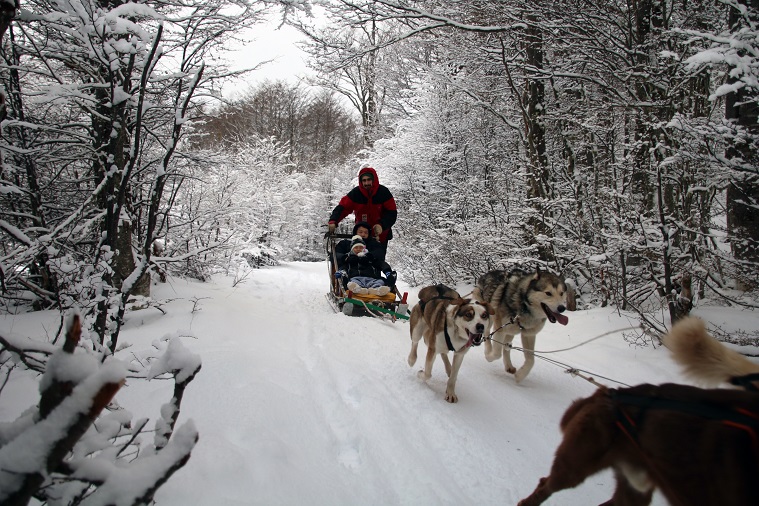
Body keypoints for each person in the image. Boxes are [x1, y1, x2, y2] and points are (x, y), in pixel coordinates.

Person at [327, 166, 397, 244]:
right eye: (364, 180)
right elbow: (343, 207)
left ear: (374, 179)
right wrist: (334, 220)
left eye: (369, 180)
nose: (366, 183)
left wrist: (381, 226)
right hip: (361, 235)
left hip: (380, 236)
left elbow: (392, 213)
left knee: (377, 255)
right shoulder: (356, 193)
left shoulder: (383, 193)